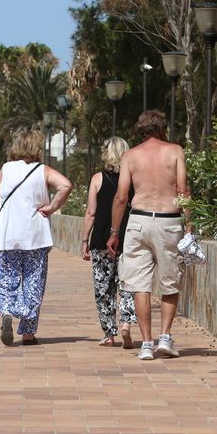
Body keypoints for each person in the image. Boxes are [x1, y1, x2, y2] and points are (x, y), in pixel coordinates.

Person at [106, 110, 190, 361]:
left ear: (140, 130)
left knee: (139, 285)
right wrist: (190, 224)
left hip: (139, 221)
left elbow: (121, 197)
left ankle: (146, 344)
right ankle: (165, 337)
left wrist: (114, 232)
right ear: (162, 127)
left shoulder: (130, 156)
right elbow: (182, 189)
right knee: (169, 282)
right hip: (168, 221)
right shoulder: (175, 151)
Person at [0, 130, 72, 346]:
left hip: (7, 237)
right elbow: (65, 185)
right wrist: (52, 207)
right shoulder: (42, 170)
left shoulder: (5, 169)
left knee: (7, 279)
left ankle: (7, 311)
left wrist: (4, 212)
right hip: (35, 235)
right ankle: (27, 333)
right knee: (34, 282)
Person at [81, 137, 136, 348]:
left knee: (103, 287)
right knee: (128, 284)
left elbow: (91, 212)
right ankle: (126, 324)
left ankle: (109, 334)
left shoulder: (97, 178)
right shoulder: (132, 179)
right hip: (128, 238)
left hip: (102, 240)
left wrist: (84, 240)